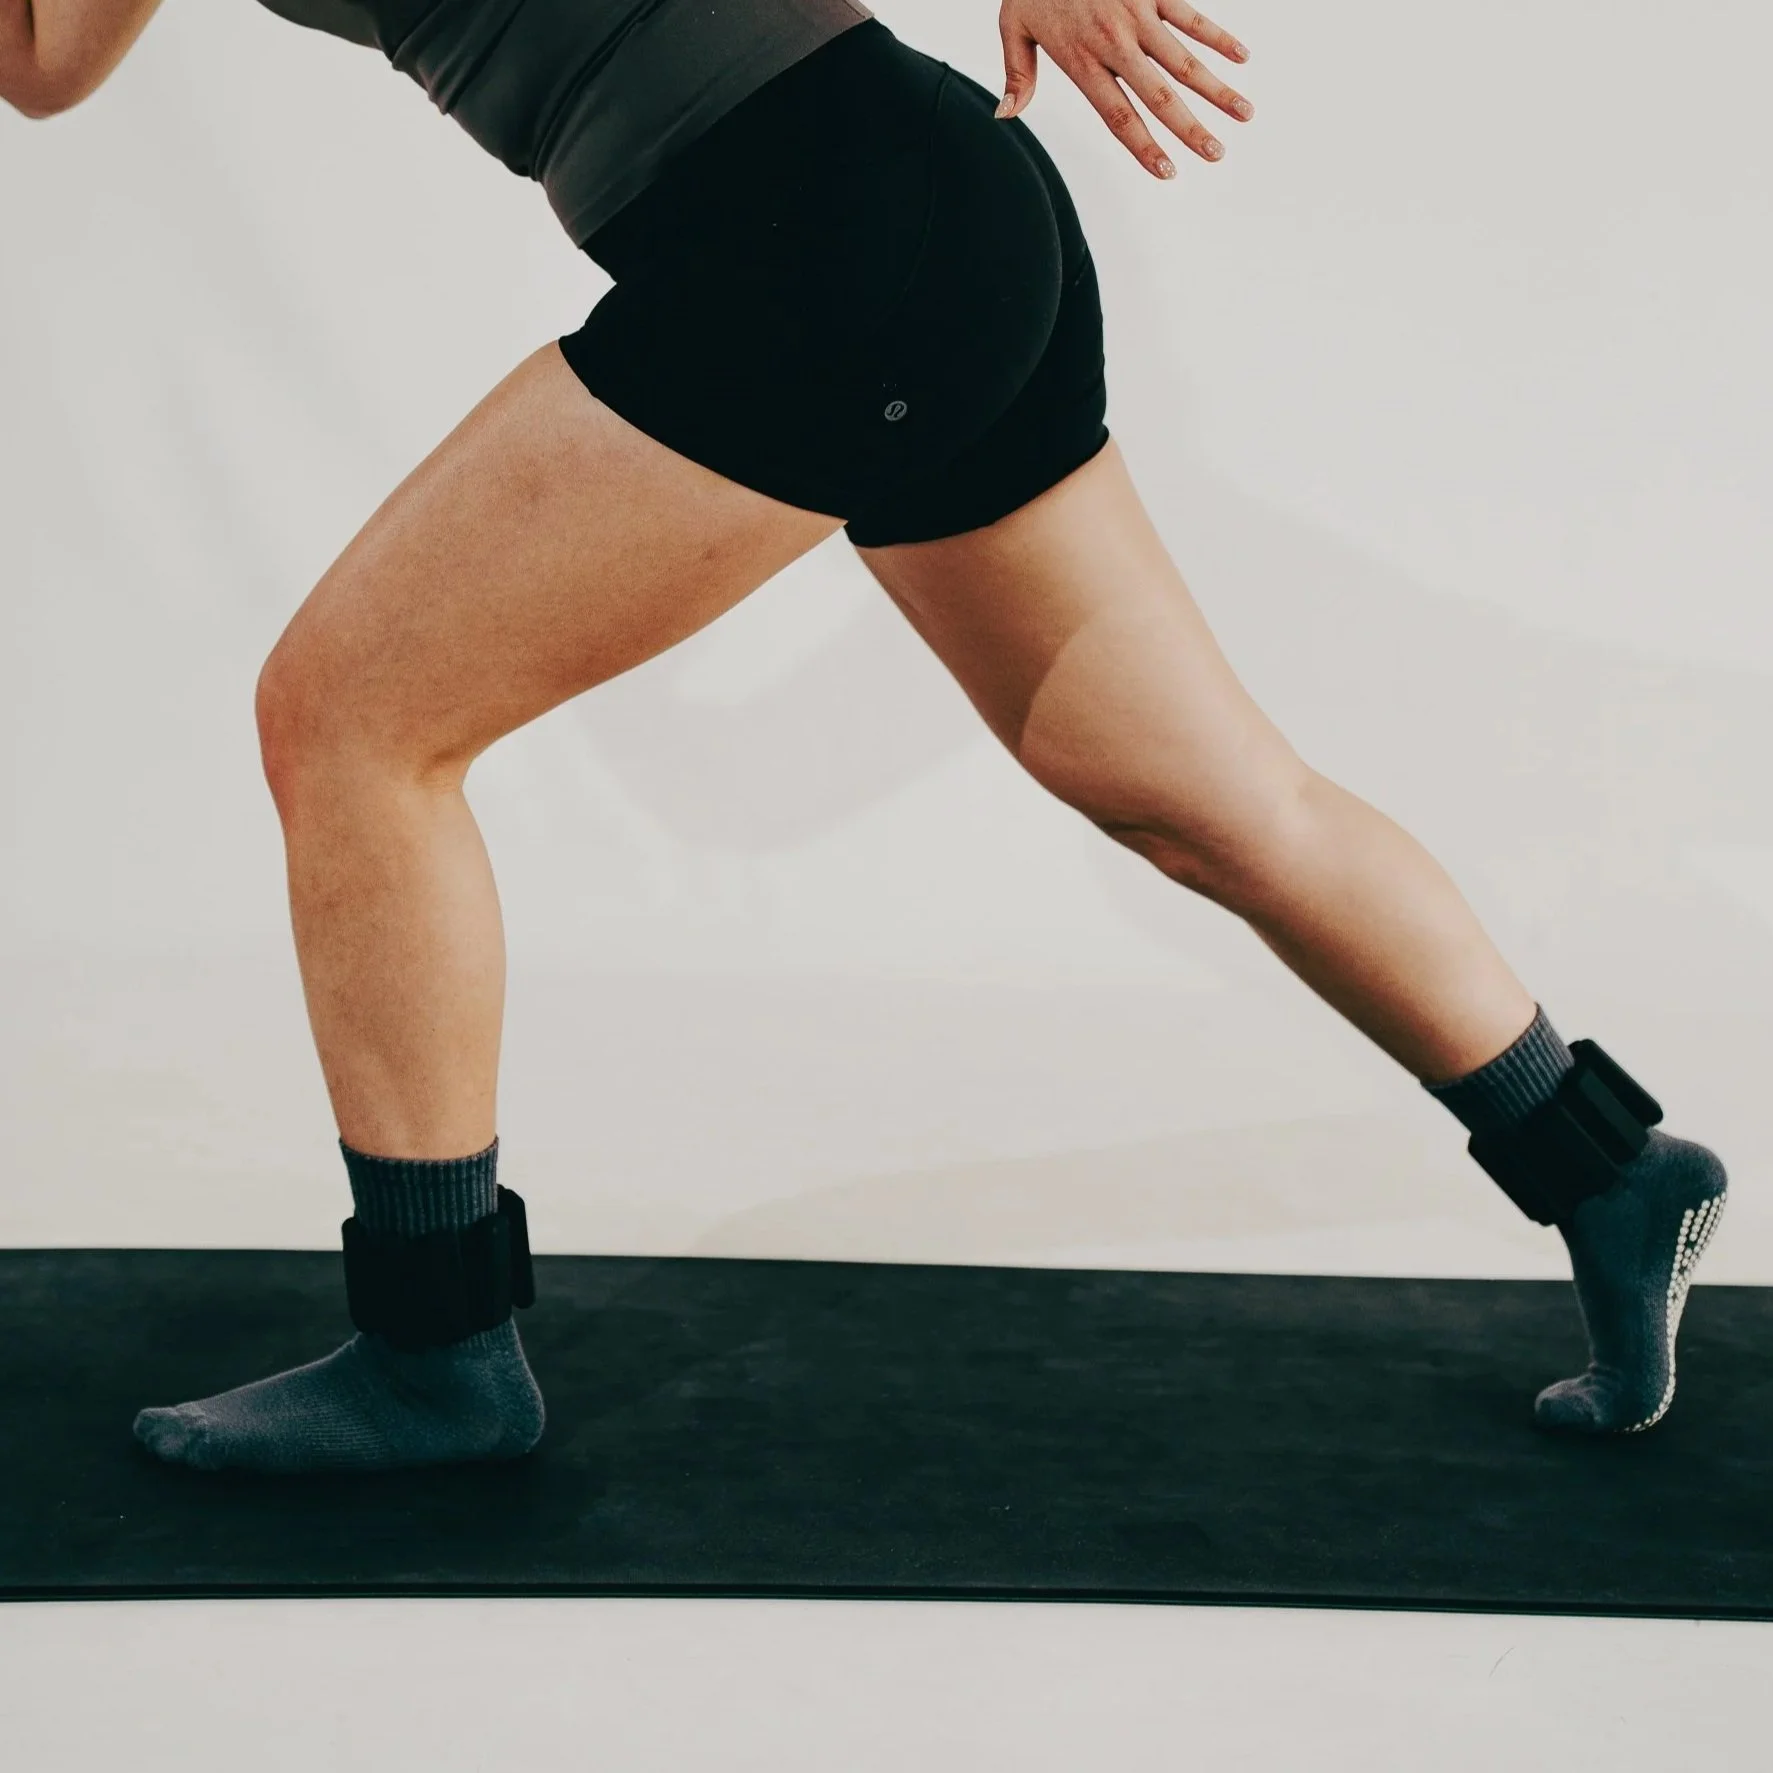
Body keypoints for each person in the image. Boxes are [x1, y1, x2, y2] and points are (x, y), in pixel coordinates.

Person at [2, 0, 1726, 1474]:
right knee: (1203, 793)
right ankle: (1608, 1166)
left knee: (353, 723)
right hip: (909, 213)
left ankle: (435, 1353)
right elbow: (48, 60)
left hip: (816, 220)